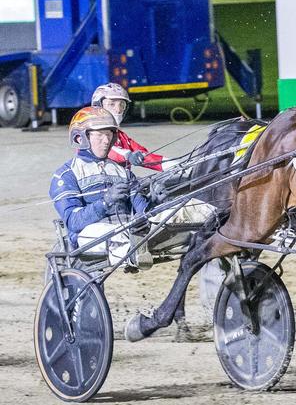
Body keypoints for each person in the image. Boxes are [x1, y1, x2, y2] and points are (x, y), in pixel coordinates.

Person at [50, 106, 215, 269]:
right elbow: (73, 221)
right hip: (89, 237)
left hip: (132, 228)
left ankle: (220, 223)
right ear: (80, 138)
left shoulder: (124, 173)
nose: (106, 140)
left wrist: (155, 201)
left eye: (109, 134)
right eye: (100, 135)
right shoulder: (65, 175)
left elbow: (143, 212)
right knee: (112, 232)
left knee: (189, 208)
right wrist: (105, 202)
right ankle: (132, 251)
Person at [90, 83, 172, 171]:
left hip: (121, 181)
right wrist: (128, 155)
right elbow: (107, 151)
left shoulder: (120, 136)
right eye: (111, 104)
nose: (118, 110)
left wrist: (176, 165)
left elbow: (144, 155)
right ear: (98, 106)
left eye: (122, 105)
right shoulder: (91, 133)